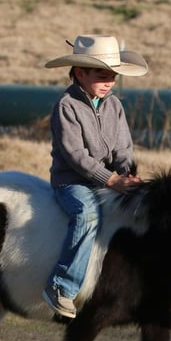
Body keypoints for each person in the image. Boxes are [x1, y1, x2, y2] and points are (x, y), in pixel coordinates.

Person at [42, 34, 148, 319]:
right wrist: (111, 180)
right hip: (72, 182)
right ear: (79, 73)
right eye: (102, 75)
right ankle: (61, 286)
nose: (109, 82)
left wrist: (127, 174)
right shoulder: (66, 106)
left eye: (113, 76)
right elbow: (76, 156)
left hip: (108, 179)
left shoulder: (114, 106)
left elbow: (124, 147)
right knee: (87, 214)